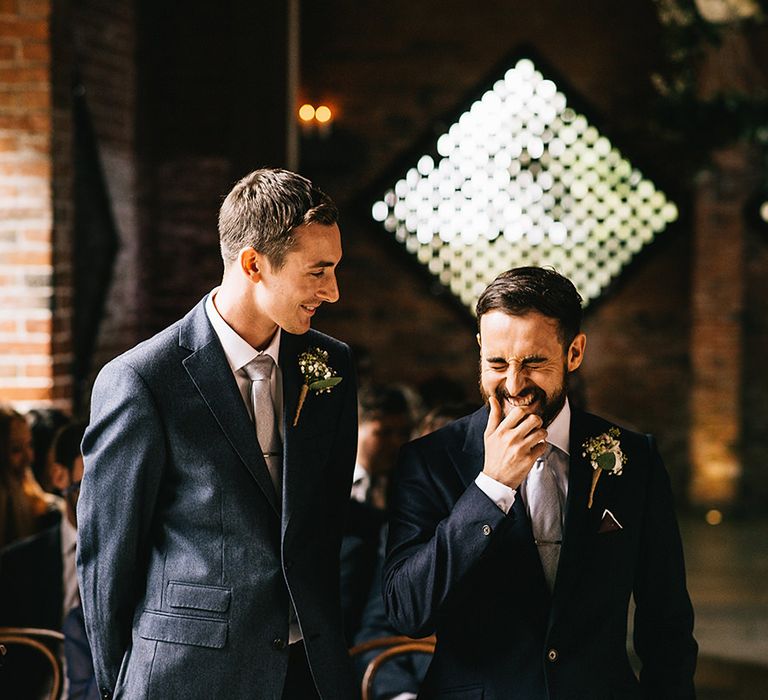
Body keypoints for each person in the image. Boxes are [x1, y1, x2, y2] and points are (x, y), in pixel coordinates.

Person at [77, 168, 358, 700]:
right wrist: (123, 685)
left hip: (311, 672)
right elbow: (107, 557)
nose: (334, 291)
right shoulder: (141, 381)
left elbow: (324, 526)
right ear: (254, 263)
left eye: (335, 269)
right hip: (186, 677)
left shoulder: (331, 365)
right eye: (318, 271)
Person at [383, 267, 698, 699]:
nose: (513, 384)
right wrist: (490, 488)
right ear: (479, 349)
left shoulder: (635, 459)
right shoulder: (428, 461)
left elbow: (667, 621)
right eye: (496, 363)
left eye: (533, 363)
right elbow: (407, 611)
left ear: (574, 353)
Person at [342, 385, 413, 644]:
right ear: (356, 428)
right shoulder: (331, 482)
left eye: (402, 433)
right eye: (383, 433)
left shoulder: (408, 485)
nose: (396, 443)